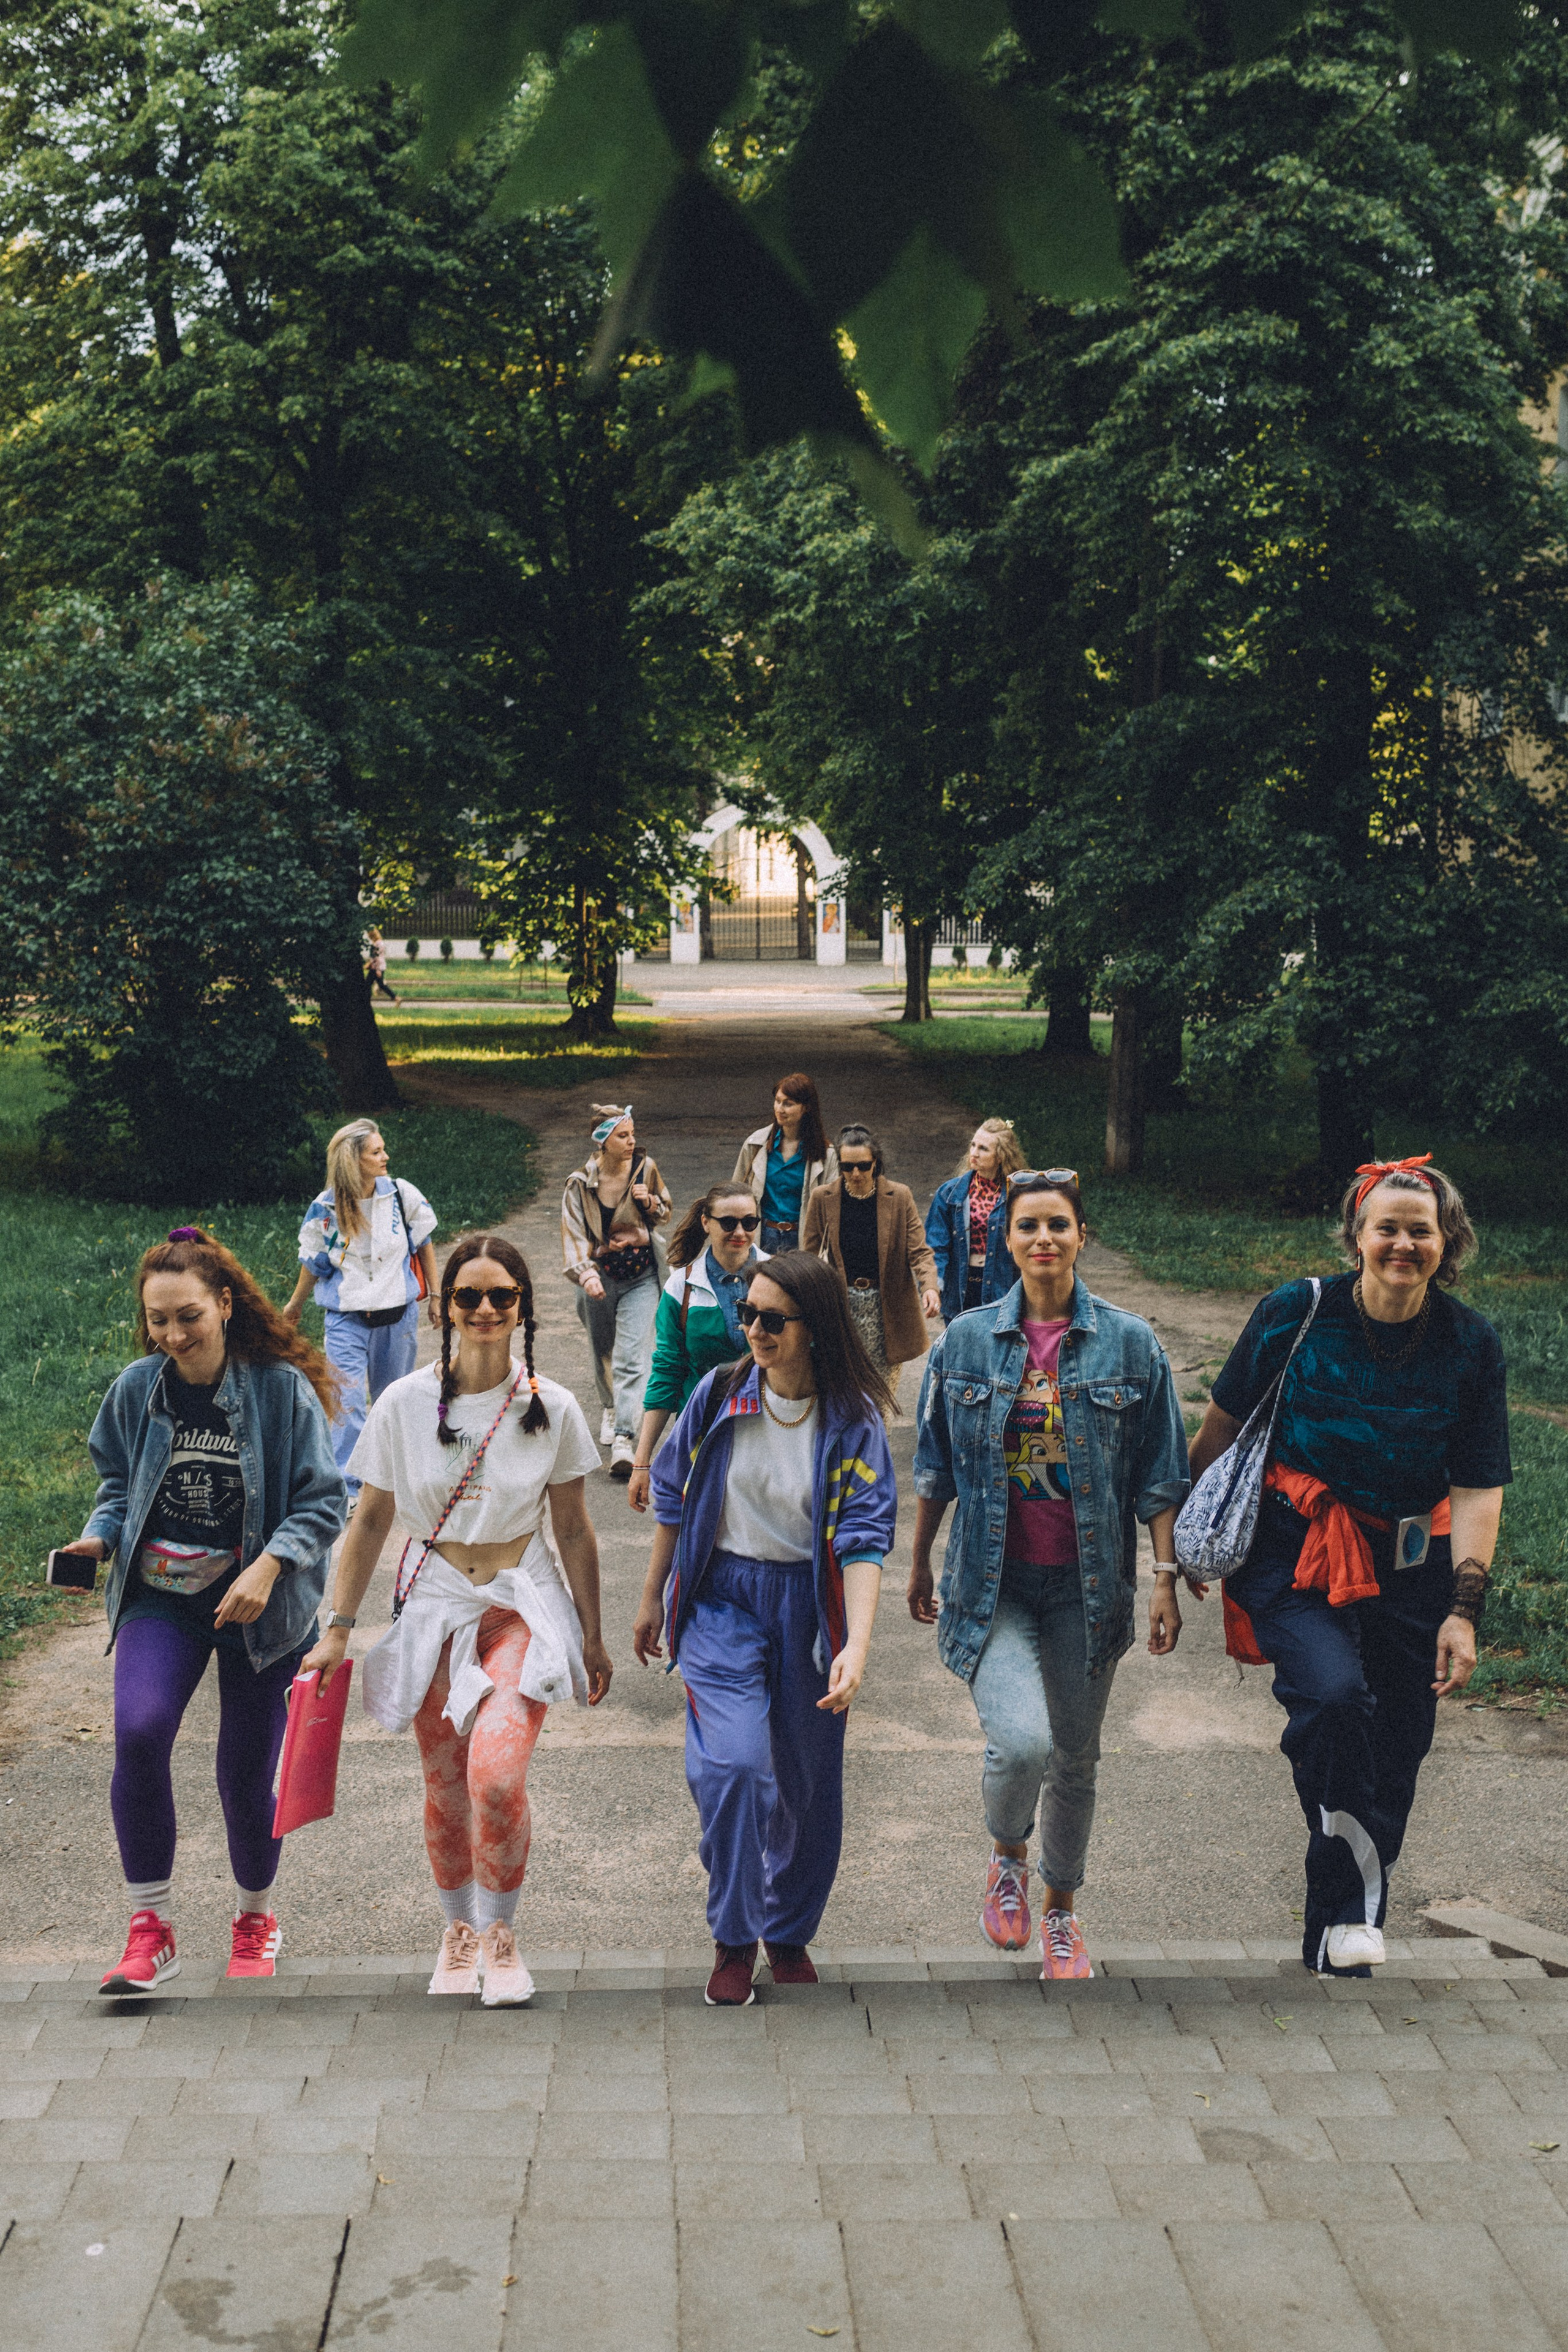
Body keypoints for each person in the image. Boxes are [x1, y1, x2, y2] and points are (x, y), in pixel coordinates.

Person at [1187, 1155, 1509, 1978]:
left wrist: (1463, 1611)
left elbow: (1477, 1488)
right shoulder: (1298, 1311)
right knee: (1333, 1702)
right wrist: (1181, 1542)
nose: (1403, 1244)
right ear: (1358, 1237)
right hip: (1296, 1552)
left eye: (1421, 1231)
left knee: (1397, 1749)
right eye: (1387, 1228)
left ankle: (1334, 1923)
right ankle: (1358, 1912)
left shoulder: (1472, 1343)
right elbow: (1222, 1427)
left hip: (1414, 1564)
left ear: (1449, 1244)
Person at [301, 1237, 612, 2005]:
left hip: (519, 1608)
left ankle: (500, 1933)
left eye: (500, 1297)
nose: (483, 1310)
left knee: (495, 1778)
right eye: (468, 1296)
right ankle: (458, 1931)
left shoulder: (554, 1407)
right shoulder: (404, 1404)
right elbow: (370, 1521)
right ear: (443, 1306)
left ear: (522, 1308)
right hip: (436, 1608)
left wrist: (593, 1633)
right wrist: (338, 1626)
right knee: (445, 1785)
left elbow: (572, 1528)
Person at [909, 1170, 1189, 1979]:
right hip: (991, 1585)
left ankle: (1062, 1917)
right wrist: (921, 1558)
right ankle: (1007, 1859)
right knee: (1023, 1741)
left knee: (1076, 1757)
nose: (1043, 1240)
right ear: (1007, 1239)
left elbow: (1160, 1474)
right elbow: (936, 1466)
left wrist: (1165, 1576)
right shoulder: (964, 1341)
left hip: (1086, 1588)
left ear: (1080, 1235)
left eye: (1058, 1226)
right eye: (1028, 1226)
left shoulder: (1131, 1345)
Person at [56, 1227, 346, 1995]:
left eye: (188, 1316)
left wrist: (270, 1564)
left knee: (246, 1774)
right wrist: (99, 1536)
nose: (174, 1334)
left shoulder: (279, 1391)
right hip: (163, 1595)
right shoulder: (136, 1389)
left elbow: (324, 1502)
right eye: (159, 1320)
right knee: (141, 1731)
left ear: (223, 1304)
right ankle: (150, 1932)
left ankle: (255, 1917)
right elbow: (117, 1484)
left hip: (263, 1606)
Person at [633, 1252, 897, 2007]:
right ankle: (733, 1934)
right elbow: (674, 1499)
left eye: (770, 1320)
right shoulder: (718, 1395)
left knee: (806, 1787)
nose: (751, 1329)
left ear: (813, 1330)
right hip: (721, 1601)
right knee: (736, 1768)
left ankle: (787, 1929)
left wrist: (855, 1644)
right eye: (747, 1313)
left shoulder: (853, 1422)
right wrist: (652, 1597)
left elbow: (865, 1539)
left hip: (809, 1608)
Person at [284, 1121, 438, 1501]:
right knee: (347, 1402)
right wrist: (295, 1305)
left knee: (392, 1399)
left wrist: (436, 1295)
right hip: (346, 1321)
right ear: (354, 1160)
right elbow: (315, 1263)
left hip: (397, 1317)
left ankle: (391, 1480)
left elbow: (425, 1245)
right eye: (376, 1152)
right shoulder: (325, 1209)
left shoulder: (402, 1195)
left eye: (383, 1150)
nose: (385, 1157)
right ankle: (348, 1487)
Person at [626, 1183, 769, 1514]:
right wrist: (642, 1461)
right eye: (728, 1222)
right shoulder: (681, 1287)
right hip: (701, 1432)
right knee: (698, 1527)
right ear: (706, 1223)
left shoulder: (778, 1279)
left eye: (750, 1223)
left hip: (767, 1428)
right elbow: (667, 1372)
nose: (740, 1232)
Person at [560, 1104, 673, 1479]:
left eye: (633, 1134)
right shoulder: (579, 1183)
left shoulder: (646, 1168)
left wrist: (650, 1202)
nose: (632, 1141)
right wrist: (586, 1273)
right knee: (602, 1349)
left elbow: (666, 1211)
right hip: (600, 1277)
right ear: (603, 1141)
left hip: (641, 1276)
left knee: (631, 1356)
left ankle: (625, 1438)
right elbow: (573, 1232)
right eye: (623, 1136)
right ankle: (610, 1406)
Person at [802, 1123, 941, 1401]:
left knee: (879, 1400)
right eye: (847, 1166)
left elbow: (919, 1250)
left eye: (863, 1166)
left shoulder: (899, 1197)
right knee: (842, 1395)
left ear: (875, 1163)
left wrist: (929, 1287)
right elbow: (808, 1255)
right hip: (841, 1309)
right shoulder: (822, 1198)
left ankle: (878, 1446)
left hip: (885, 1310)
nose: (855, 1174)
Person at [925, 1117, 1027, 1320]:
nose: (974, 1153)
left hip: (1003, 1288)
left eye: (983, 1149)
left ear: (1000, 1156)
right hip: (959, 1290)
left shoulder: (1020, 1195)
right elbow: (936, 1246)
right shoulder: (950, 1193)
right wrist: (933, 1287)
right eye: (973, 1145)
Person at [733, 1073, 837, 1256]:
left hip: (803, 1238)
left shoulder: (825, 1154)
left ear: (805, 1108)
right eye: (778, 1101)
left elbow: (833, 1207)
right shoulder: (756, 1145)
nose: (780, 1109)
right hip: (763, 1234)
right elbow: (736, 1193)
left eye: (788, 1104)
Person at [366, 927, 398, 1002]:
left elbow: (376, 957)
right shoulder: (381, 943)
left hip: (376, 968)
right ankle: (395, 998)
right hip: (379, 967)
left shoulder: (376, 944)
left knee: (370, 984)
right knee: (374, 984)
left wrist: (377, 970)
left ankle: (396, 998)